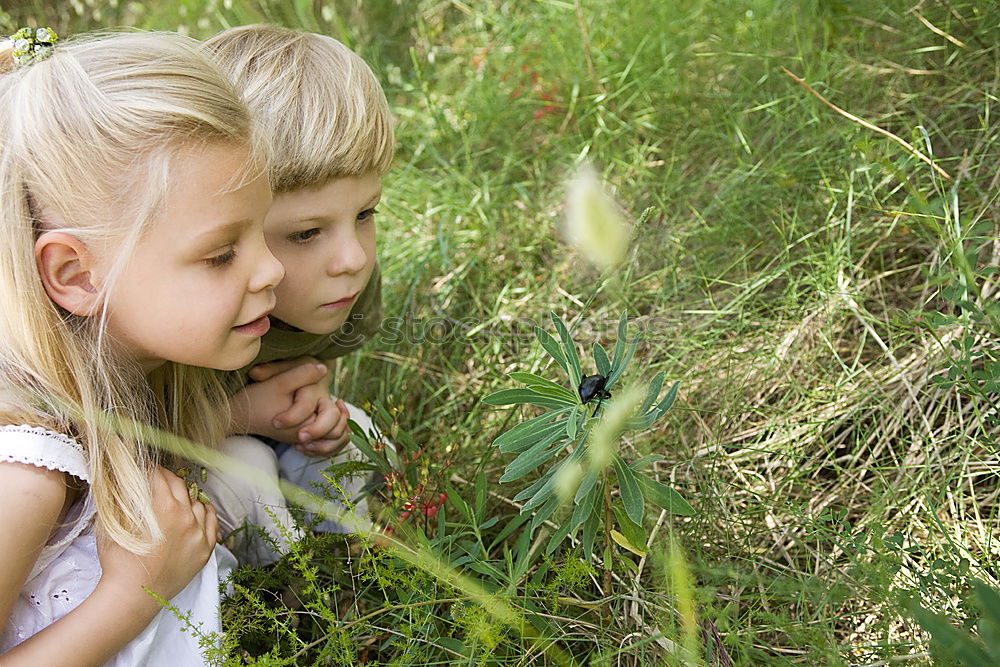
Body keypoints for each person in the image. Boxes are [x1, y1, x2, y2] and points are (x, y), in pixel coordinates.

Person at [0, 29, 284, 665]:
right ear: (77, 275)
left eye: (263, 233)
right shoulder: (23, 476)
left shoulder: (117, 371)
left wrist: (247, 415)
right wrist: (134, 595)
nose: (271, 272)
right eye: (221, 254)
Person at [201, 24, 395, 564]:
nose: (353, 258)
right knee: (241, 470)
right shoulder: (187, 307)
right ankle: (278, 605)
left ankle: (348, 571)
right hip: (148, 475)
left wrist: (307, 408)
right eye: (306, 233)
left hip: (253, 426)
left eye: (365, 215)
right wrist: (235, 417)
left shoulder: (341, 284)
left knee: (357, 434)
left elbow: (302, 364)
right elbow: (108, 437)